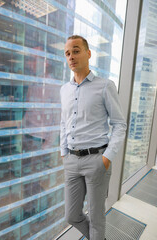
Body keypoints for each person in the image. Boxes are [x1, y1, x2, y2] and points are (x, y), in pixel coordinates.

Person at [60, 35, 127, 240]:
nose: (71, 56)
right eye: (68, 53)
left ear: (88, 54)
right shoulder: (64, 90)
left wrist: (106, 158)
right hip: (71, 160)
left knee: (97, 218)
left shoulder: (105, 86)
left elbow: (119, 124)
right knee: (71, 216)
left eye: (76, 51)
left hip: (97, 160)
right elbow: (63, 123)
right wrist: (63, 152)